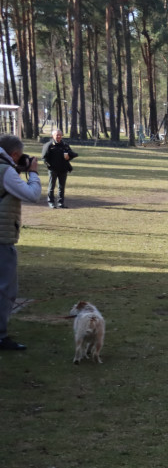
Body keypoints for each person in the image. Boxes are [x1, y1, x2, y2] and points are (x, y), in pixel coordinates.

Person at [0, 135, 42, 351]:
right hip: (2, 238)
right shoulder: (5, 171)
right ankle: (1, 336)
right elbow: (32, 195)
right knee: (6, 288)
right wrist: (33, 173)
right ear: (15, 154)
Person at [41, 129, 77, 209]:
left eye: (60, 135)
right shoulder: (48, 145)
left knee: (61, 187)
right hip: (53, 169)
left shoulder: (65, 145)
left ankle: (61, 203)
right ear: (52, 136)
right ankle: (51, 202)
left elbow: (71, 154)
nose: (58, 136)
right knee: (51, 187)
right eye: (57, 135)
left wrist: (69, 157)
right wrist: (49, 166)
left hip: (63, 169)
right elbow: (44, 158)